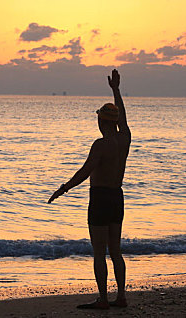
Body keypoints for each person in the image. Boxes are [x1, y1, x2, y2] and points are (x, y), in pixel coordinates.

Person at [48, 69, 131, 310]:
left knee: (99, 252)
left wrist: (63, 189)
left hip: (101, 198)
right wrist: (116, 91)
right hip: (117, 197)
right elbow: (124, 117)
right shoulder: (124, 138)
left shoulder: (100, 144)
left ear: (101, 121)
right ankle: (121, 296)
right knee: (116, 251)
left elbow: (84, 173)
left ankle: (103, 299)